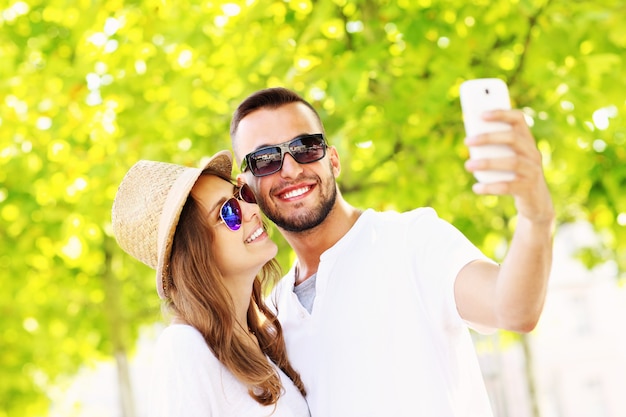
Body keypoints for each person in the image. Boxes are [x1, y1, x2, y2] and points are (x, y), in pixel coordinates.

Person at [229, 87, 555, 417]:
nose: (290, 168)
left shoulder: (413, 240)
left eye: (305, 147)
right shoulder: (271, 319)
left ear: (334, 159)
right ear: (247, 189)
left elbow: (513, 309)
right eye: (265, 159)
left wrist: (536, 215)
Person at [110, 150, 310, 417]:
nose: (252, 210)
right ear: (196, 254)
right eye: (228, 212)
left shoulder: (263, 336)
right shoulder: (183, 347)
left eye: (244, 195)